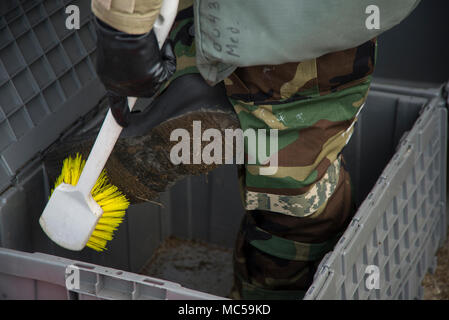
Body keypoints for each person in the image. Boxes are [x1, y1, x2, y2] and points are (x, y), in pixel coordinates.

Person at [90, 0, 401, 299]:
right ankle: (268, 296)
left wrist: (124, 26)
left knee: (209, 39)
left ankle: (198, 84)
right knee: (296, 196)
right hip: (316, 23)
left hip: (220, 20)